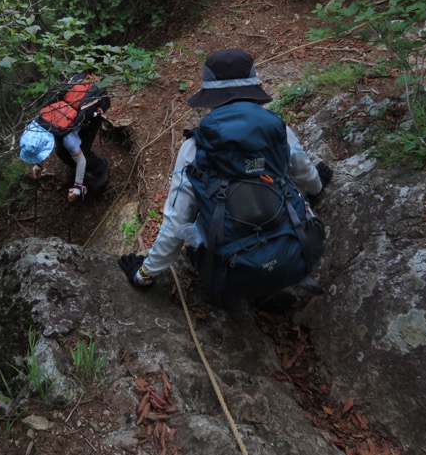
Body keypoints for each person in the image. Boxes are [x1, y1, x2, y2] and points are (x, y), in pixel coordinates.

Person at [118, 48, 333, 289]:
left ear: (211, 97)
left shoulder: (195, 147)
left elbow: (177, 222)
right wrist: (317, 186)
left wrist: (143, 275)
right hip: (296, 255)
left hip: (234, 274)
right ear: (253, 89)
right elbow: (307, 177)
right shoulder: (277, 130)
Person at [19, 76, 110, 202]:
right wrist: (38, 164)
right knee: (61, 152)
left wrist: (77, 187)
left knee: (83, 152)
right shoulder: (38, 123)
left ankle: (100, 168)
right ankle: (76, 168)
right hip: (70, 121)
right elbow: (38, 144)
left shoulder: (67, 139)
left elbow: (81, 160)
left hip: (88, 120)